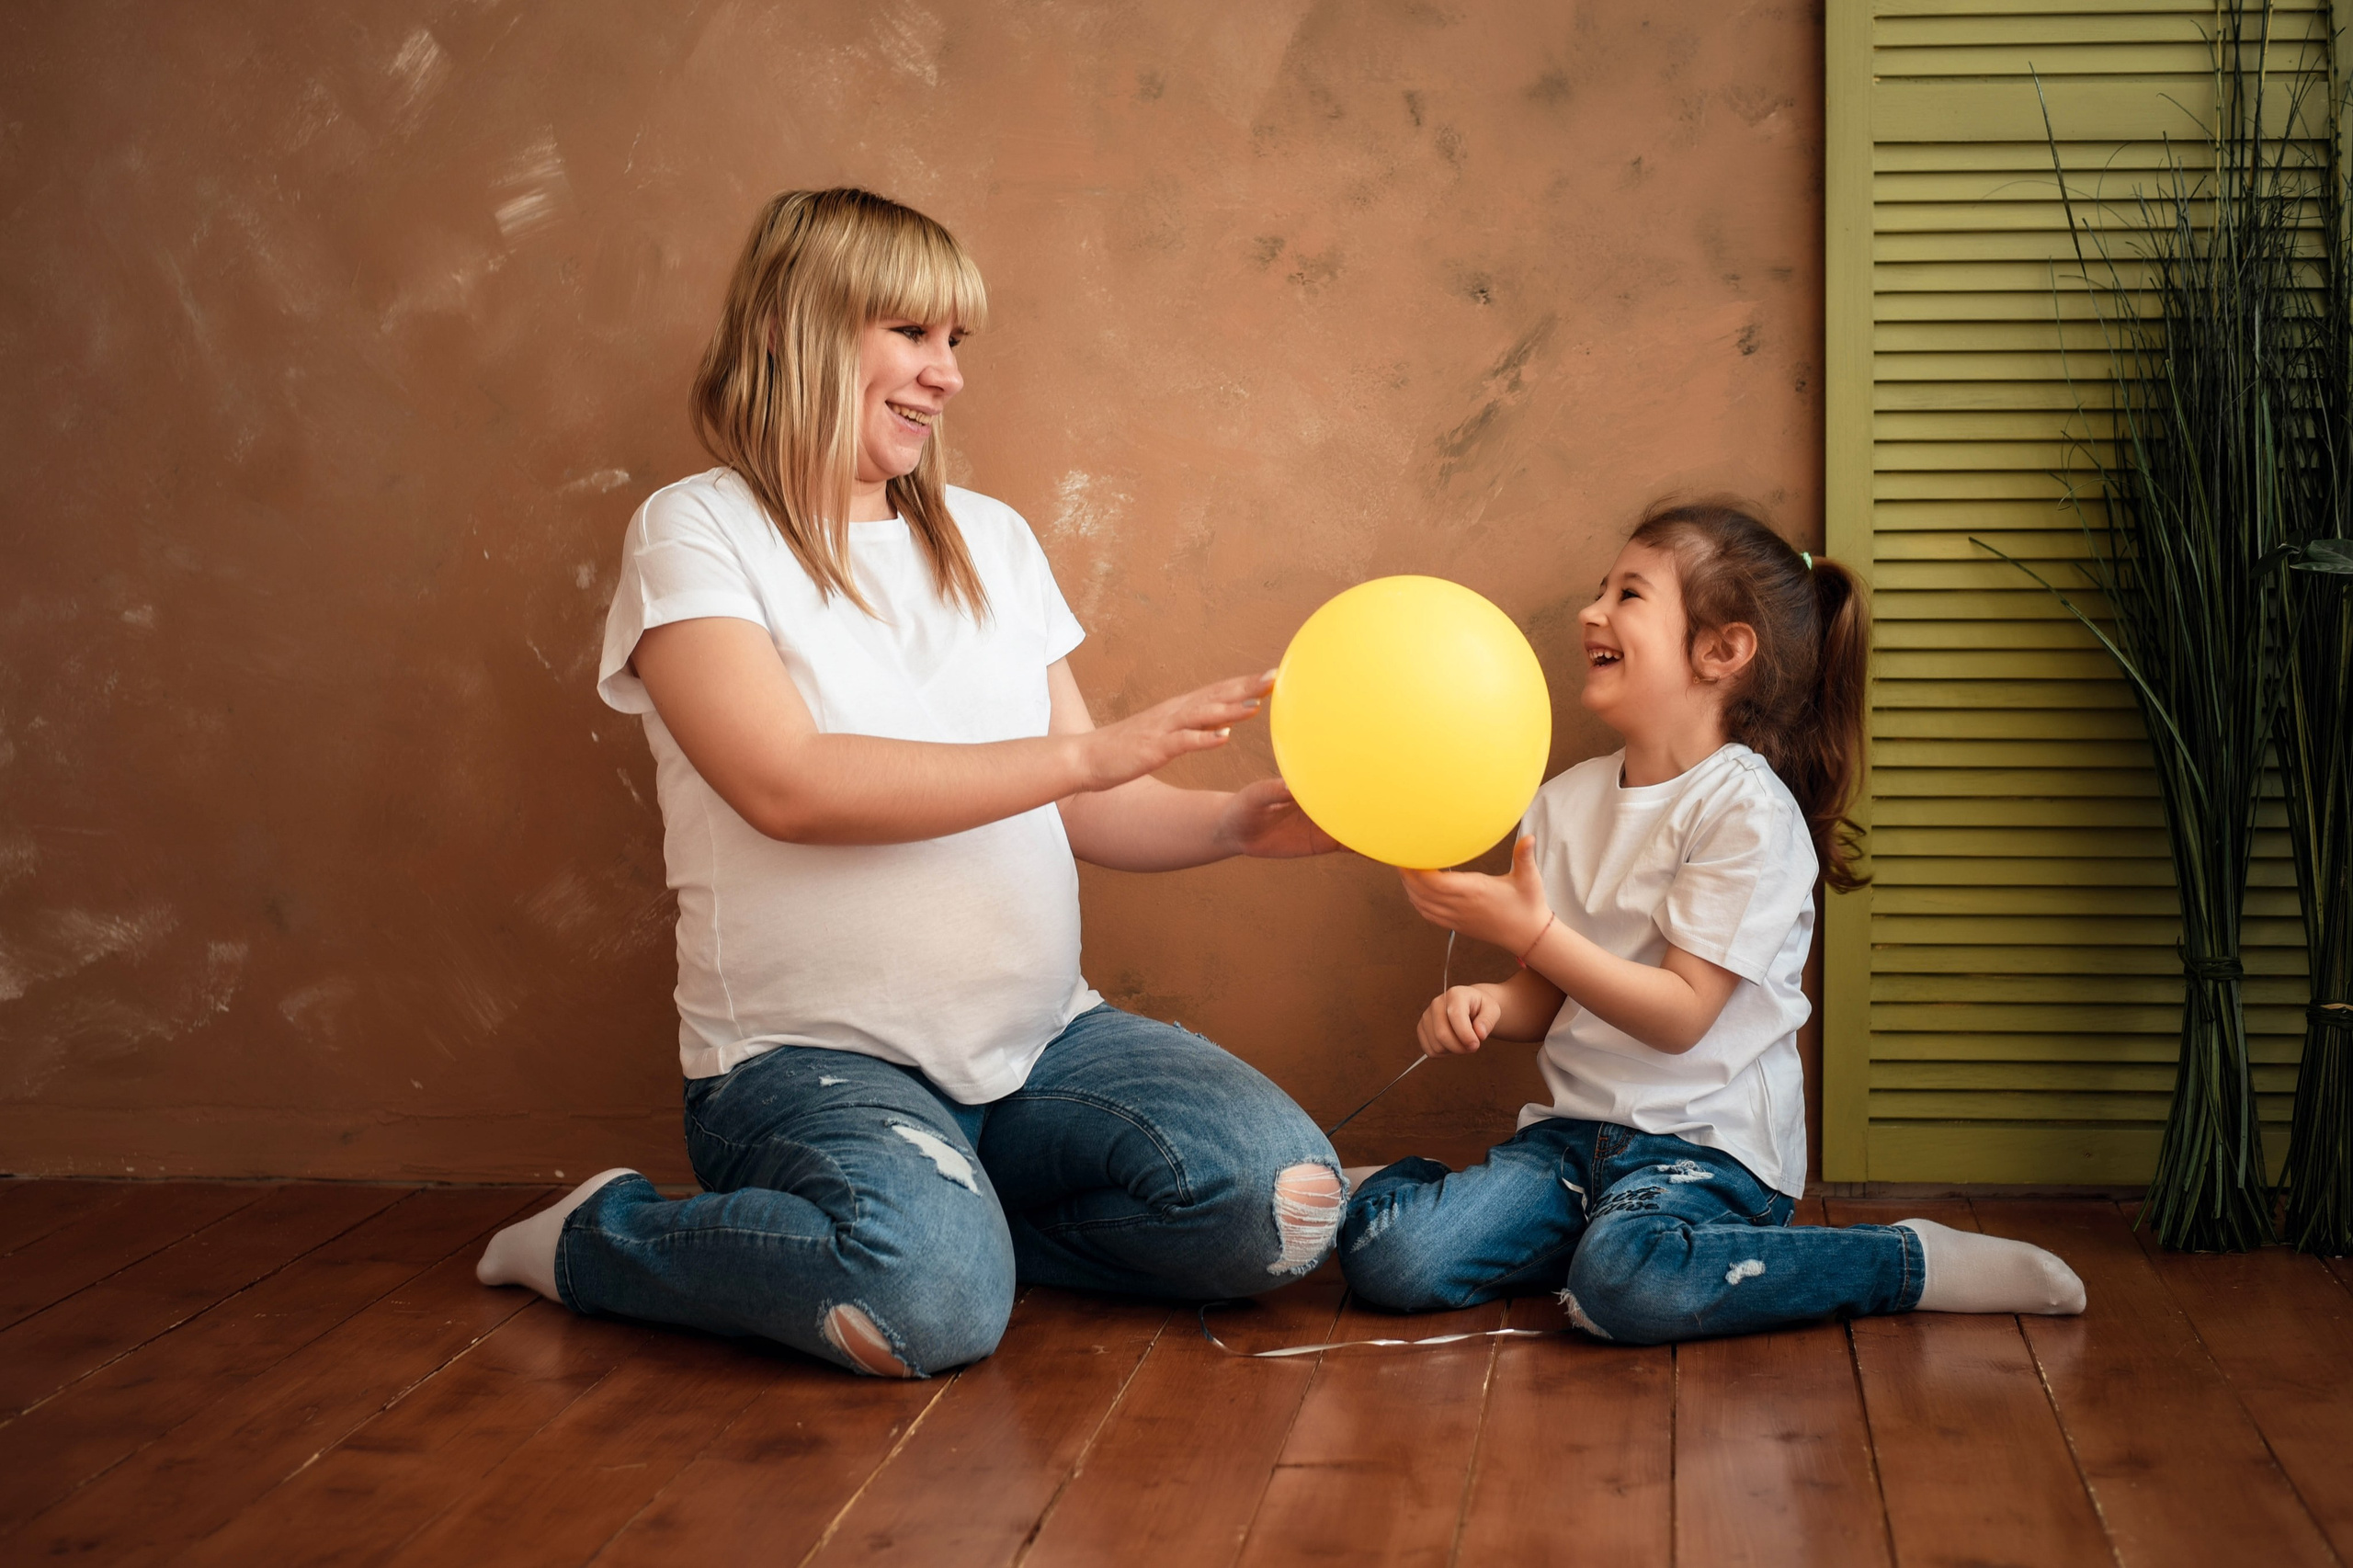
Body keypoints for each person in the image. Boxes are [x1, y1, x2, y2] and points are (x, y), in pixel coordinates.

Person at [475, 188, 1345, 1378]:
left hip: (1042, 1045)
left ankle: (963, 1227)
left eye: (955, 339)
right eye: (910, 332)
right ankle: (598, 1237)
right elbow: (788, 785)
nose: (947, 373)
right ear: (790, 327)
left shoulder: (994, 538)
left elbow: (1082, 805)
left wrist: (1236, 822)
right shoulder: (696, 531)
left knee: (1285, 1207)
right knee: (923, 1304)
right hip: (805, 1063)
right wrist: (1089, 753)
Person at [1338, 501, 2086, 1342]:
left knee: (1630, 1283)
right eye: (1601, 590)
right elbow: (1550, 994)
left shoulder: (1747, 811)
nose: (1590, 612)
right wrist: (1489, 1003)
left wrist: (1528, 931)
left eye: (1628, 594)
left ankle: (1902, 1262)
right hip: (1572, 1144)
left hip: (1710, 1155)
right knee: (1392, 1258)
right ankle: (1436, 1204)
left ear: (1723, 651)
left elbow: (1682, 1016)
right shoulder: (1561, 803)